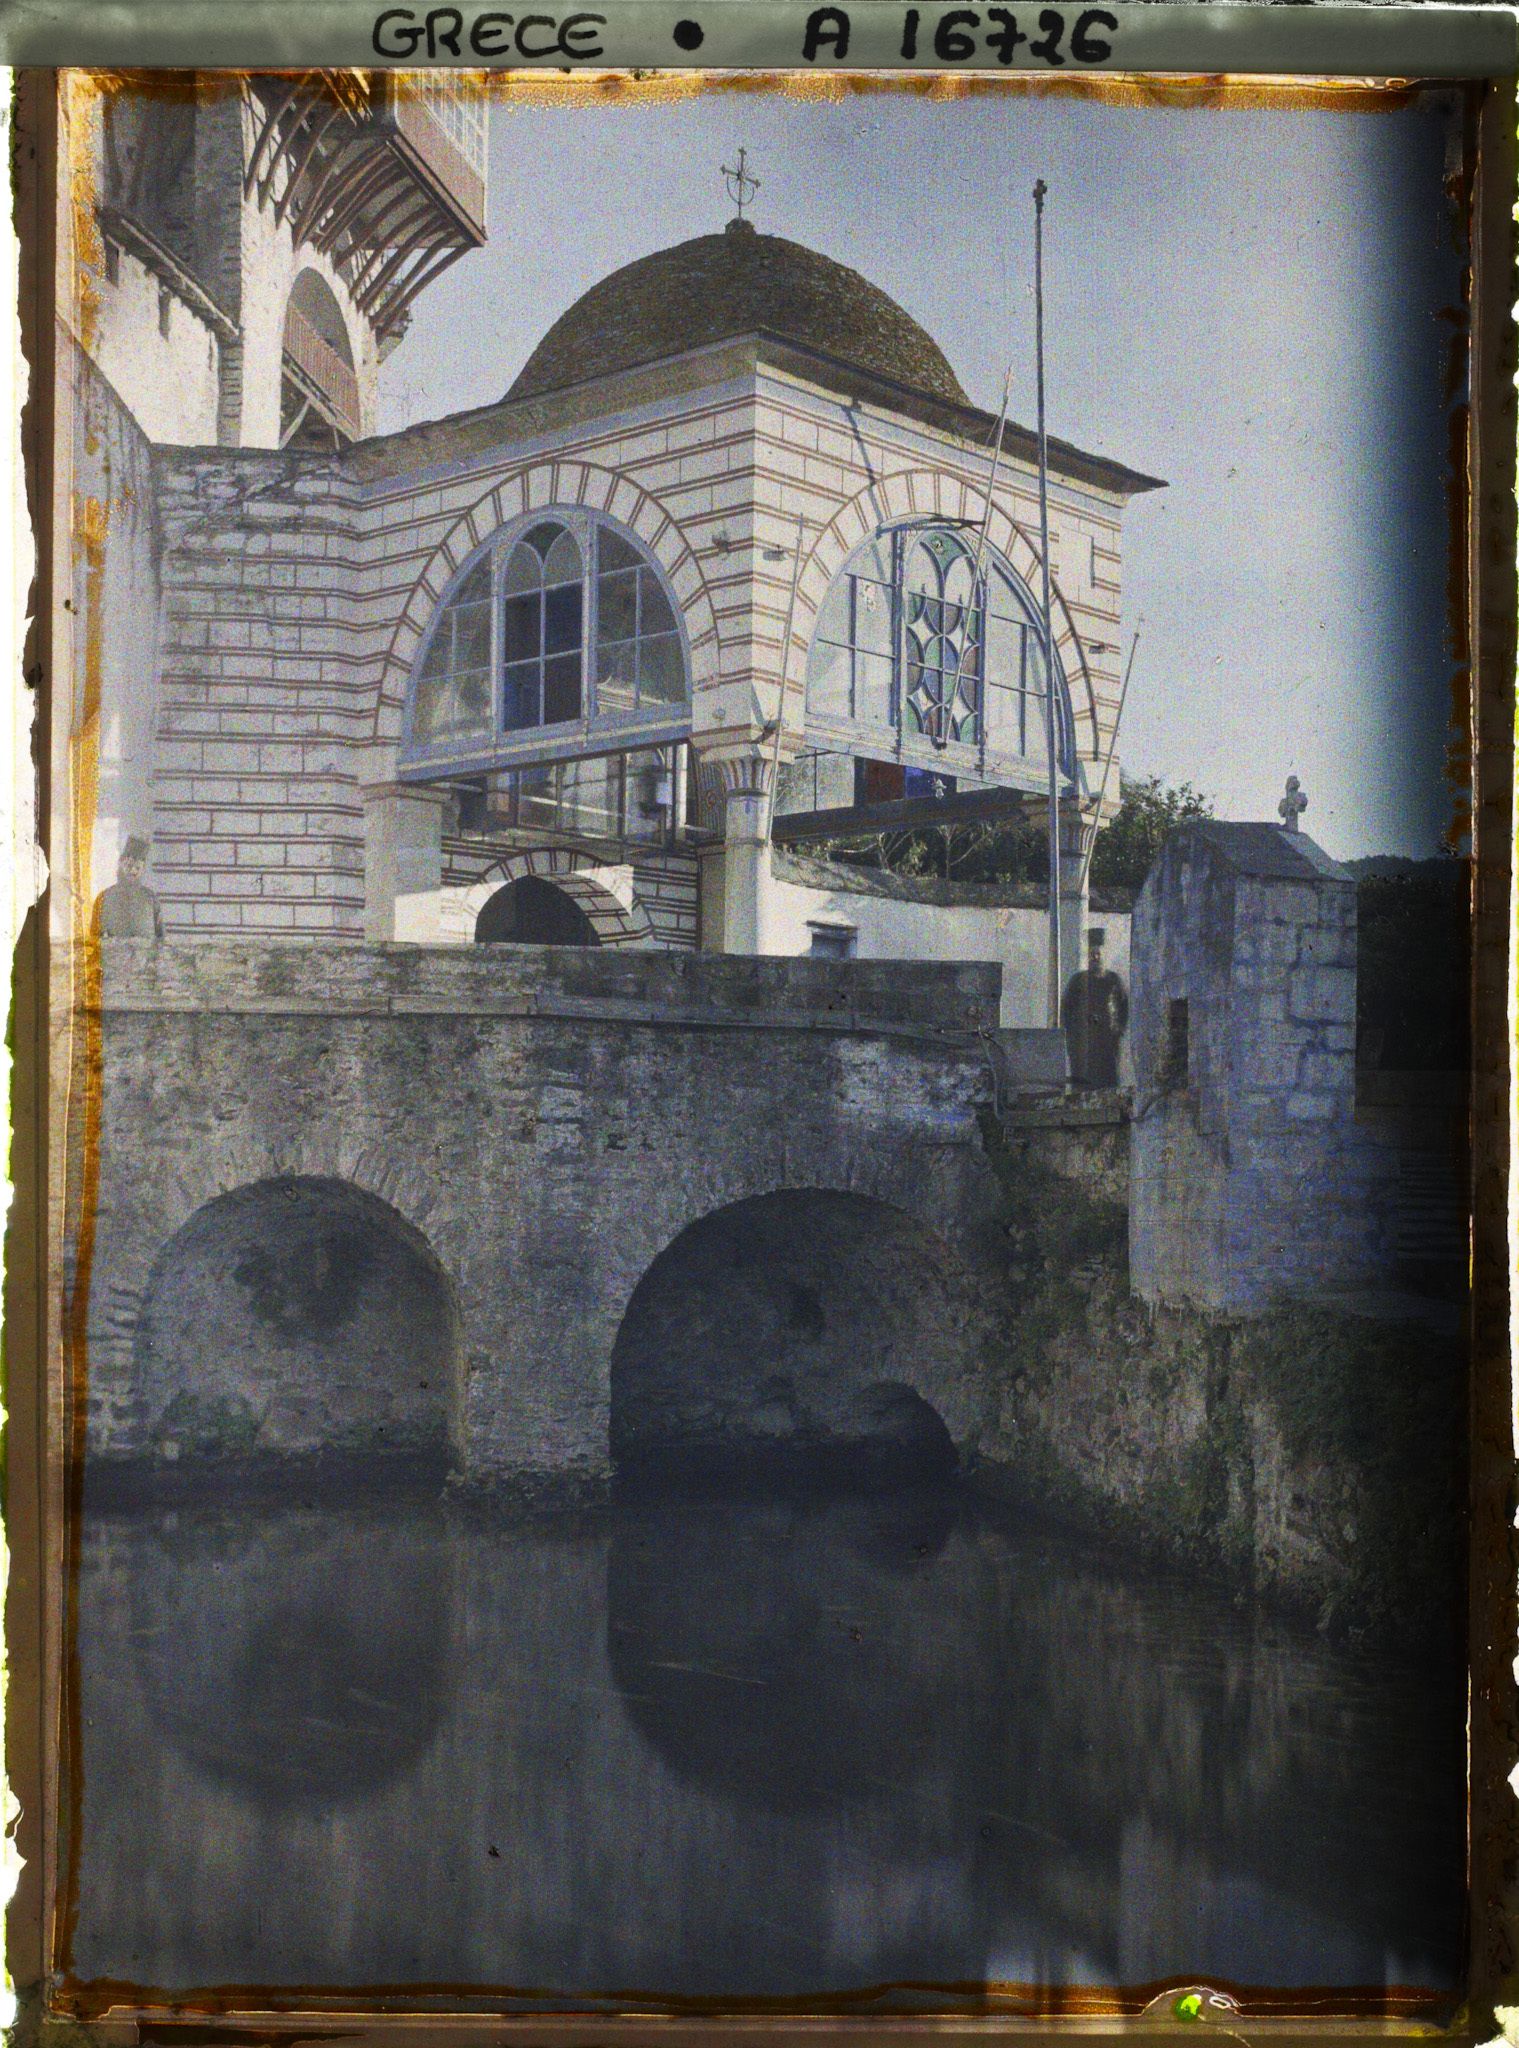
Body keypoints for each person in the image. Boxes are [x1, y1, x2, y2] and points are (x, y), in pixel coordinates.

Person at [1061, 926, 1129, 1089]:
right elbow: (1066, 1010)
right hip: (1084, 1043)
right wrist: (1072, 1034)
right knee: (1084, 1081)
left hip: (1107, 1042)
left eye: (1098, 954)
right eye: (1092, 955)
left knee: (1108, 1080)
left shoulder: (1113, 980)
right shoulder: (1077, 981)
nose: (1095, 958)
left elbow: (1124, 1006)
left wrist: (1119, 1030)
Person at [92, 835, 164, 940]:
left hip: (145, 955)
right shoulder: (104, 898)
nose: (133, 871)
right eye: (129, 866)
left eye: (138, 868)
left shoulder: (151, 899)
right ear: (121, 864)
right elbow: (94, 939)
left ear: (143, 869)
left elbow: (161, 938)